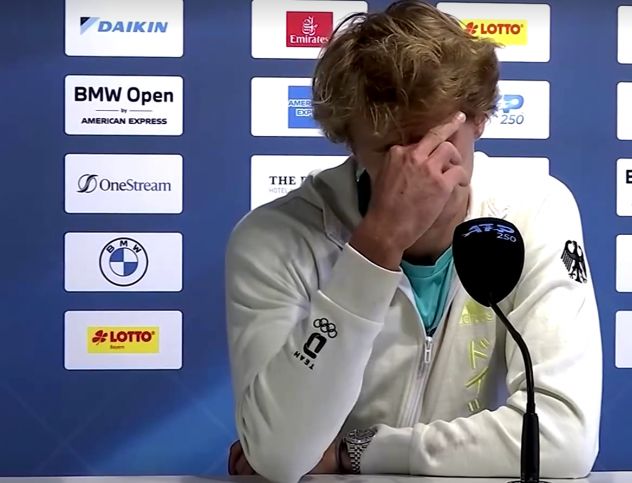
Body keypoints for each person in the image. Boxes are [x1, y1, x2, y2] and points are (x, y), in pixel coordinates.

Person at [225, 1, 602, 481]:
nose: (417, 171)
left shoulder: (533, 210)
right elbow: (279, 456)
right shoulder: (272, 238)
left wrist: (358, 450)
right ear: (350, 142)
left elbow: (562, 440)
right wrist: (376, 246)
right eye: (390, 150)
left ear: (479, 118)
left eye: (433, 140)